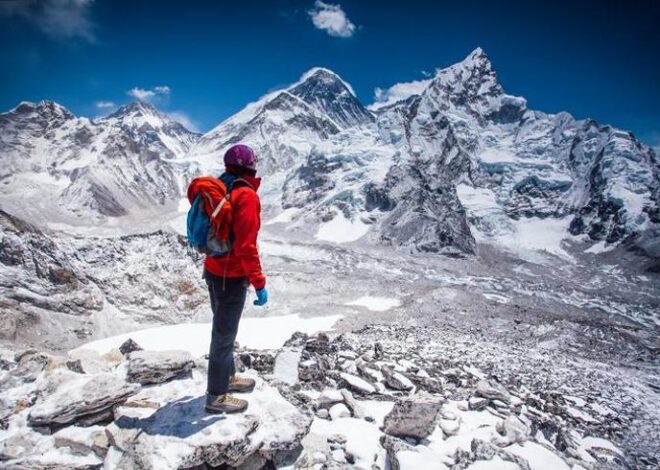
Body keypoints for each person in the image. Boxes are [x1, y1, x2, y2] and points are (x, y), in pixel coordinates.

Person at [204, 143, 268, 414]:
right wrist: (259, 283)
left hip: (213, 270)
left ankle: (227, 378)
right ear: (251, 165)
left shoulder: (221, 188)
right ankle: (216, 396)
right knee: (224, 335)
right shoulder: (246, 195)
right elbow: (246, 246)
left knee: (223, 331)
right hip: (232, 276)